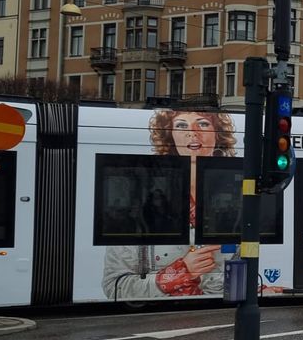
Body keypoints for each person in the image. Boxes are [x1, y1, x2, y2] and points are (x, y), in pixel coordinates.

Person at [101, 110, 237, 300]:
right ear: (170, 135)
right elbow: (115, 286)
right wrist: (181, 272)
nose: (193, 132)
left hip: (213, 312)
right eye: (181, 125)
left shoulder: (233, 206)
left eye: (203, 123)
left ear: (217, 134)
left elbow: (237, 280)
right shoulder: (139, 207)